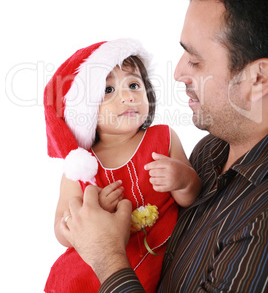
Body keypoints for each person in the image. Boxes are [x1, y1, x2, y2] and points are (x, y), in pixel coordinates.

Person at [60, 0, 268, 292]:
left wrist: (106, 256)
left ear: (258, 77)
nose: (178, 72)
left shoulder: (260, 221)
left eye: (196, 61)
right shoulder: (210, 150)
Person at [44, 38, 201, 292]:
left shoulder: (164, 138)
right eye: (108, 90)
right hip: (91, 273)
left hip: (157, 263)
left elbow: (190, 197)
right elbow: (62, 230)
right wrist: (93, 211)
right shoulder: (81, 165)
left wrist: (184, 180)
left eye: (134, 84)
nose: (128, 97)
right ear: (86, 110)